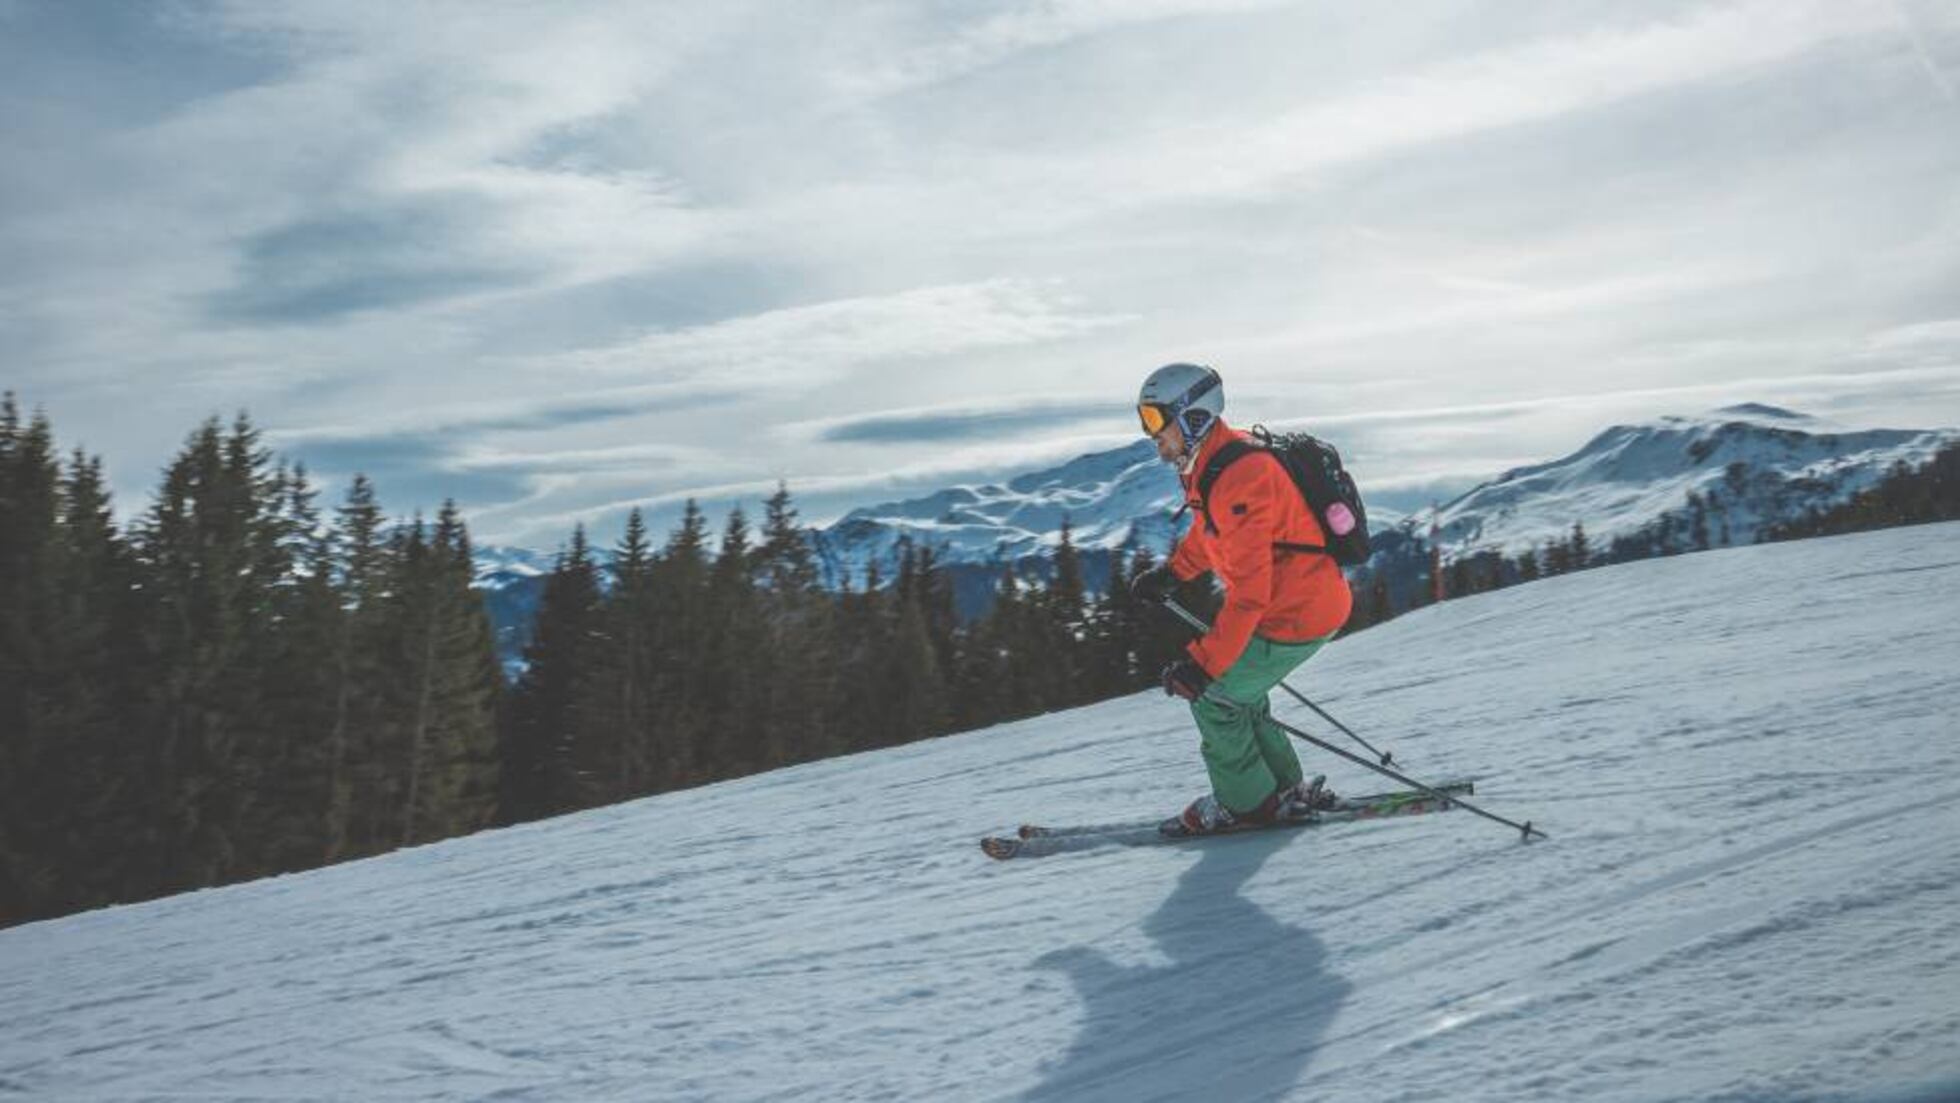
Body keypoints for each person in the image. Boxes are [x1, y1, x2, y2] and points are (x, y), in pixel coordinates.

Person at [1129, 363, 1354, 835]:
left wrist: (1203, 666)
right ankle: (1281, 789)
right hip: (1298, 605)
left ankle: (1247, 805)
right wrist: (1172, 574)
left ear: (1192, 417)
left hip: (1296, 613)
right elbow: (1209, 535)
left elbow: (1250, 597)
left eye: (1155, 421)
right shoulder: (1211, 466)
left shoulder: (1240, 476)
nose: (1152, 437)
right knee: (1243, 696)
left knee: (1215, 699)